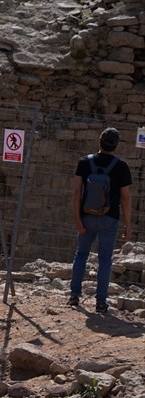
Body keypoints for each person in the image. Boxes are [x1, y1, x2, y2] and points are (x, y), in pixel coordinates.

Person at [70, 127, 134, 314]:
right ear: (116, 145)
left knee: (81, 255)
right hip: (109, 218)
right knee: (105, 259)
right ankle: (100, 303)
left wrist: (77, 219)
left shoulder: (84, 162)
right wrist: (128, 223)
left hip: (87, 217)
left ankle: (74, 295)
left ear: (99, 140)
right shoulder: (121, 166)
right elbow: (126, 197)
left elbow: (76, 192)